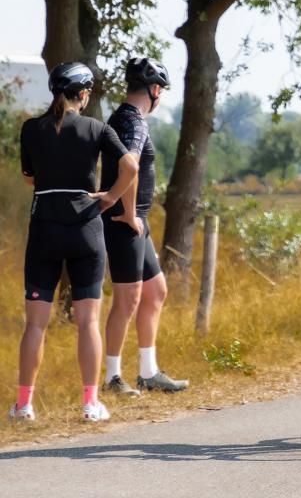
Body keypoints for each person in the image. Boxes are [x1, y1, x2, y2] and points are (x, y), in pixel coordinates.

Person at [11, 62, 138, 423]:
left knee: (35, 324)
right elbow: (130, 166)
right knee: (88, 322)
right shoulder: (97, 128)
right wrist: (111, 197)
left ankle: (24, 406)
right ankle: (90, 404)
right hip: (86, 228)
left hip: (45, 229)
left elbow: (29, 179)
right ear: (82, 94)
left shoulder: (31, 129)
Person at [101, 57, 188, 397]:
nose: (161, 96)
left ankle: (148, 372)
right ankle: (112, 379)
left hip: (137, 221)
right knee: (128, 300)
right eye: (161, 91)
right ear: (153, 90)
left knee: (155, 292)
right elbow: (131, 167)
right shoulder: (133, 122)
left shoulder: (124, 118)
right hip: (126, 223)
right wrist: (126, 209)